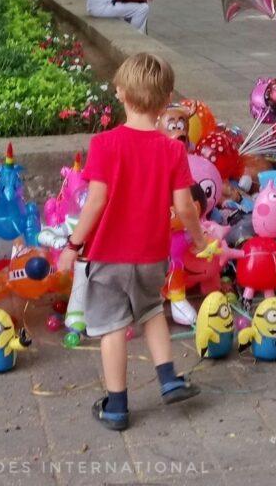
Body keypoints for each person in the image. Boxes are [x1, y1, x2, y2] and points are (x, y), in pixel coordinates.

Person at [57, 53, 209, 430]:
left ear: (121, 94)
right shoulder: (173, 149)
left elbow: (95, 202)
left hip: (108, 256)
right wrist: (200, 239)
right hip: (151, 255)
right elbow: (185, 207)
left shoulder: (106, 144)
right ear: (166, 98)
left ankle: (117, 407)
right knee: (152, 311)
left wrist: (72, 246)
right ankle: (169, 378)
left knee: (112, 327)